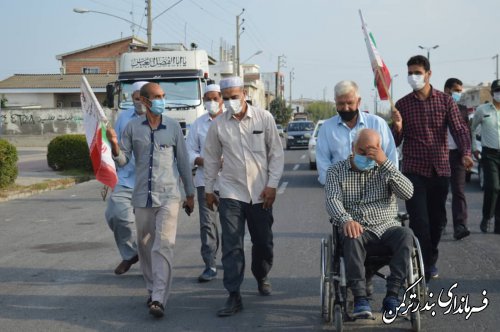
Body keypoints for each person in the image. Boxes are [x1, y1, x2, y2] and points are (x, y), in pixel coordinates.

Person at [106, 82, 195, 319]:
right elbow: (122, 161)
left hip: (168, 197)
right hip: (142, 198)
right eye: (157, 96)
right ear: (144, 101)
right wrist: (114, 145)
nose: (161, 100)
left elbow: (184, 163)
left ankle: (158, 298)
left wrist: (190, 193)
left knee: (163, 245)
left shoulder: (174, 127)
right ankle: (151, 289)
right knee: (145, 247)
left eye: (163, 96)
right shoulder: (133, 128)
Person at [203, 76, 284, 317]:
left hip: (261, 193)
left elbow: (276, 155)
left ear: (245, 94)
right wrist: (209, 189)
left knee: (263, 243)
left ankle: (261, 275)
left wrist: (272, 185)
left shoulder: (264, 118)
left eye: (233, 97)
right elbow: (210, 158)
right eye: (225, 98)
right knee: (232, 246)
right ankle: (233, 294)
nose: (229, 102)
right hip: (231, 192)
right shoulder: (218, 125)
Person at [391, 55, 473, 282]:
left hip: (440, 170)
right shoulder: (402, 105)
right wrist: (397, 126)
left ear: (428, 74)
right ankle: (421, 266)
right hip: (413, 171)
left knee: (437, 223)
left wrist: (466, 153)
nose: (413, 77)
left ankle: (430, 259)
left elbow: (460, 130)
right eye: (409, 73)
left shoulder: (445, 102)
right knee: (420, 223)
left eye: (417, 72)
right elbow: (395, 141)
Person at [325, 128, 414, 319]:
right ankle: (359, 298)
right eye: (362, 152)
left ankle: (393, 296)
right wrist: (345, 219)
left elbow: (408, 193)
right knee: (351, 235)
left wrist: (385, 163)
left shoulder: (386, 169)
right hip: (357, 229)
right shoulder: (336, 171)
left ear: (380, 149)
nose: (366, 156)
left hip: (387, 227)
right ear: (352, 148)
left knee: (407, 235)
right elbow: (332, 199)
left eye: (371, 151)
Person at [316, 80, 398, 186]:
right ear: (335, 102)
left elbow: (391, 156)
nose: (345, 108)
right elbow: (323, 162)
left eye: (350, 103)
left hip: (376, 189)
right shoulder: (327, 128)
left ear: (358, 101)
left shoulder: (377, 124)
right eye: (341, 103)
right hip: (341, 190)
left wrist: (390, 184)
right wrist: (334, 187)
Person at [105, 81, 148, 275]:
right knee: (116, 215)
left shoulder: (161, 120)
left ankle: (152, 267)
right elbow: (115, 147)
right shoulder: (123, 117)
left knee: (150, 228)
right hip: (125, 177)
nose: (139, 102)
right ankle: (130, 254)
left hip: (151, 182)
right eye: (135, 98)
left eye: (142, 98)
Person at [186, 83, 224, 282]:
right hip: (204, 182)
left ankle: (230, 259)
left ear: (222, 99)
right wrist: (201, 160)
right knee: (207, 225)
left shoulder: (230, 121)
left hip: (230, 183)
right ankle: (210, 264)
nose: (211, 102)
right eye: (207, 99)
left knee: (230, 224)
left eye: (214, 98)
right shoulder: (198, 124)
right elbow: (189, 151)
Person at [470, 79, 500, 234]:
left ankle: (498, 224)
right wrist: (474, 147)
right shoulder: (483, 110)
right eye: (497, 90)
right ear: (492, 92)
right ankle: (487, 217)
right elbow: (472, 129)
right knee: (493, 187)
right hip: (490, 154)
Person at [443, 78, 471, 240]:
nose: (459, 94)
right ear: (447, 90)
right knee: (440, 191)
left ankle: (460, 225)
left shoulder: (462, 110)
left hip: (457, 156)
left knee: (459, 191)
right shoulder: (438, 107)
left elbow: (465, 133)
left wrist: (467, 153)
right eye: (456, 90)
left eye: (460, 91)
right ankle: (440, 223)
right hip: (440, 155)